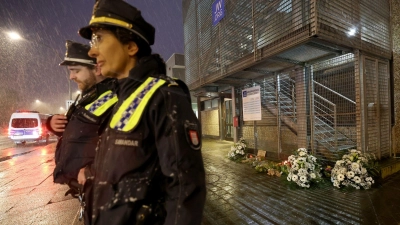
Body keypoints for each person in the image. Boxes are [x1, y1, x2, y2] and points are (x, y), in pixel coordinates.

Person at [78, 0, 206, 224]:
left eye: (99, 38)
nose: (92, 50)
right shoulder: (120, 97)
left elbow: (185, 189)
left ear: (131, 47)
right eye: (92, 40)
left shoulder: (164, 95)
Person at [47, 40, 117, 224]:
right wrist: (52, 124)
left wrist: (94, 171)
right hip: (89, 191)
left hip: (106, 192)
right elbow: (80, 131)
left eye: (76, 70)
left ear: (97, 69)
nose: (71, 77)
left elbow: (125, 144)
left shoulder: (114, 96)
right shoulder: (89, 96)